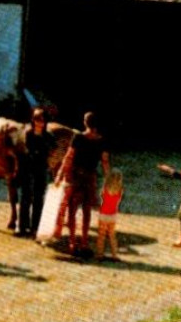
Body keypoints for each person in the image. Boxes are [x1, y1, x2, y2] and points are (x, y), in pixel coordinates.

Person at [56, 112, 110, 255]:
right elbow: (105, 162)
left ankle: (73, 242)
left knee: (72, 209)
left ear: (85, 123)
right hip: (90, 177)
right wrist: (108, 180)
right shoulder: (101, 141)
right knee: (87, 211)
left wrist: (60, 174)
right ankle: (85, 242)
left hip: (76, 176)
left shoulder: (79, 137)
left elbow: (69, 157)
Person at [18, 108, 53, 239]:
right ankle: (22, 227)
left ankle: (35, 227)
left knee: (38, 199)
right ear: (33, 120)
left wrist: (50, 162)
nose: (39, 122)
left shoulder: (49, 136)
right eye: (37, 119)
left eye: (42, 120)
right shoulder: (28, 134)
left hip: (41, 169)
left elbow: (54, 150)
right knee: (25, 197)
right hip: (28, 169)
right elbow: (27, 150)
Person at [94, 167, 124, 262]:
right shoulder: (120, 190)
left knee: (101, 236)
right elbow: (118, 201)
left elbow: (102, 197)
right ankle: (114, 255)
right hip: (113, 215)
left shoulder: (105, 189)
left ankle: (100, 254)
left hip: (103, 214)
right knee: (112, 236)